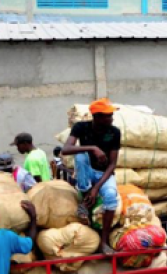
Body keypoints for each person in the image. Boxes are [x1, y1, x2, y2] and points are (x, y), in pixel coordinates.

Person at [62, 97, 121, 254]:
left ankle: (103, 242)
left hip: (104, 174)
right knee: (80, 156)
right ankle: (86, 198)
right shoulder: (81, 127)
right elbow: (65, 149)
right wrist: (93, 148)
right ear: (97, 117)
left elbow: (112, 164)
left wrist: (97, 188)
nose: (111, 118)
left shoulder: (114, 132)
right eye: (108, 115)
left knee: (110, 197)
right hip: (87, 173)